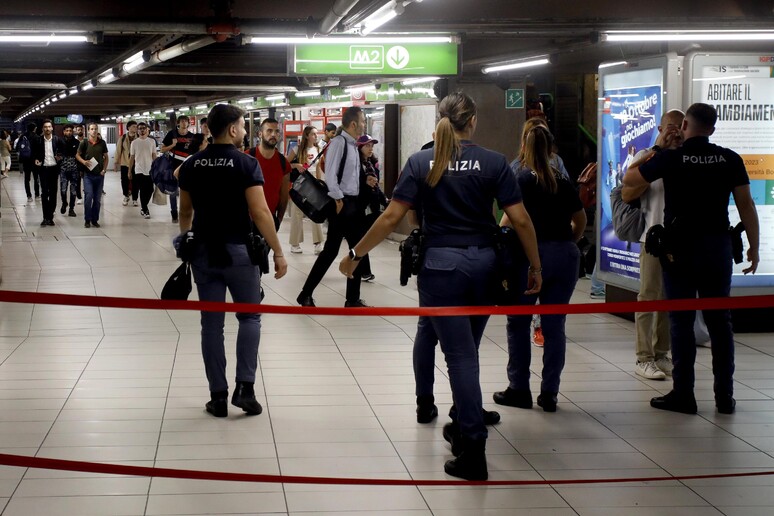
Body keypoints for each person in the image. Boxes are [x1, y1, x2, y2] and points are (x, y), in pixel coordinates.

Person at [339, 92, 542, 480]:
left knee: (459, 356)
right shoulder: (495, 162)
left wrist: (355, 255)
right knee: (469, 351)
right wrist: (535, 265)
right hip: (485, 266)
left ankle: (472, 444)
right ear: (474, 121)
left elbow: (390, 218)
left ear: (440, 119)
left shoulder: (420, 162)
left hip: (441, 269)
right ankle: (464, 421)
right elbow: (521, 220)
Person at [623, 102, 760, 415]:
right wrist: (754, 246)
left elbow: (630, 180)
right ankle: (724, 397)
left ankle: (684, 394)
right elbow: (746, 205)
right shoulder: (729, 158)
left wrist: (657, 148)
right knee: (720, 323)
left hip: (679, 249)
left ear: (684, 125)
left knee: (681, 321)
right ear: (712, 129)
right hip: (717, 248)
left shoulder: (672, 158)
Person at [177, 103, 287, 418]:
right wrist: (278, 251)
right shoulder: (245, 164)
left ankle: (218, 396)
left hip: (204, 254)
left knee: (211, 325)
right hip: (240, 252)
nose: (244, 131)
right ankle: (245, 390)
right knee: (249, 318)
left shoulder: (191, 165)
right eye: (242, 125)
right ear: (233, 129)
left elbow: (186, 213)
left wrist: (188, 241)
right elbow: (260, 211)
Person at [493, 125, 586, 413]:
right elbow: (580, 220)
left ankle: (519, 388)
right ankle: (550, 394)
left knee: (519, 322)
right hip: (564, 255)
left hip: (530, 258)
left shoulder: (520, 179)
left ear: (524, 147)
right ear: (550, 149)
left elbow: (511, 221)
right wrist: (567, 240)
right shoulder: (562, 180)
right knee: (555, 326)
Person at [623, 110, 685, 381]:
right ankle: (643, 357)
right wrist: (658, 151)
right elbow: (627, 193)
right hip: (653, 237)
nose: (674, 132)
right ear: (659, 128)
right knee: (649, 296)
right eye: (668, 127)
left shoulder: (686, 157)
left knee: (670, 298)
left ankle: (661, 353)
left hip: (681, 238)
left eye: (679, 127)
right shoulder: (647, 157)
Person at [297, 106, 368, 308]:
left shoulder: (353, 144)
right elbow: (331, 173)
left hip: (352, 203)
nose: (363, 124)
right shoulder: (339, 143)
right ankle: (306, 294)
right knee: (332, 252)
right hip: (342, 204)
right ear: (354, 123)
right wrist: (338, 200)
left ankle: (351, 298)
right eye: (362, 121)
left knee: (355, 250)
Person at [246, 118, 291, 230]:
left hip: (269, 220)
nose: (273, 134)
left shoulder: (283, 162)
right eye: (269, 131)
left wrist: (278, 220)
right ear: (260, 134)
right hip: (246, 221)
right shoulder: (247, 158)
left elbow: (283, 196)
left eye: (276, 132)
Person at [355, 134, 388, 282]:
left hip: (371, 208)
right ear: (360, 147)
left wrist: (385, 201)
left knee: (362, 238)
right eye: (367, 145)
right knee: (360, 238)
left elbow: (375, 186)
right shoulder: (356, 165)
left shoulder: (371, 164)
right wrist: (364, 182)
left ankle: (362, 270)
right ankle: (364, 271)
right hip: (359, 207)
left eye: (372, 146)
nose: (370, 148)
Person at [287, 125, 324, 255]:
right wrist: (296, 165)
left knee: (316, 211)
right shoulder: (296, 149)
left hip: (313, 183)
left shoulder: (318, 149)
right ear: (307, 136)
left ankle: (318, 243)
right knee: (297, 214)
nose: (316, 136)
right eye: (313, 134)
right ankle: (294, 243)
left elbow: (318, 167)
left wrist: (320, 183)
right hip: (301, 184)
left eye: (316, 133)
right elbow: (285, 165)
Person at [161, 115, 199, 222]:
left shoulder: (192, 136)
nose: (184, 123)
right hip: (173, 167)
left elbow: (197, 151)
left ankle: (189, 212)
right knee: (173, 191)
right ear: (178, 123)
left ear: (188, 123)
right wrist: (172, 145)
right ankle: (174, 213)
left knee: (190, 191)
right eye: (182, 121)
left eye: (185, 121)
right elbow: (162, 149)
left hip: (188, 167)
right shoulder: (172, 134)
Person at [76, 122, 109, 228]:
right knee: (88, 196)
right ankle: (87, 219)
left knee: (97, 199)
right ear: (88, 131)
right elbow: (77, 155)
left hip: (99, 175)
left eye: (95, 129)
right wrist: (84, 162)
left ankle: (95, 219)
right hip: (88, 175)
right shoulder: (84, 143)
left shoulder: (102, 143)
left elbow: (106, 157)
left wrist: (104, 170)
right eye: (92, 129)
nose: (94, 131)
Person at [32, 120, 64, 226]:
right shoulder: (38, 140)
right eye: (45, 127)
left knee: (53, 193)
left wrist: (60, 157)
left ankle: (50, 217)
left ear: (52, 128)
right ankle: (45, 217)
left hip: (54, 169)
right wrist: (36, 159)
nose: (47, 129)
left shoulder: (57, 140)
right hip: (43, 169)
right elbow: (34, 153)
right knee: (44, 194)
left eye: (49, 127)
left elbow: (63, 152)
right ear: (42, 129)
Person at [128, 122, 157, 219]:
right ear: (137, 130)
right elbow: (132, 158)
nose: (142, 130)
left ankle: (144, 207)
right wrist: (129, 171)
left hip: (150, 169)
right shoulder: (134, 143)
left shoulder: (152, 142)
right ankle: (145, 209)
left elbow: (154, 155)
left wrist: (157, 167)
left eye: (144, 128)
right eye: (140, 128)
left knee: (150, 190)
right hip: (138, 169)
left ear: (147, 129)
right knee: (143, 189)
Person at [59, 124, 81, 217]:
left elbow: (80, 156)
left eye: (70, 131)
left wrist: (80, 169)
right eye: (67, 130)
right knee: (63, 190)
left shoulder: (76, 142)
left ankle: (71, 209)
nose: (68, 132)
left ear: (73, 131)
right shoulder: (60, 141)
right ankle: (64, 203)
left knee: (73, 191)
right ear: (64, 132)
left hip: (74, 170)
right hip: (63, 169)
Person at [115, 120, 138, 206]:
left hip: (136, 163)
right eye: (133, 126)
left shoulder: (139, 138)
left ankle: (135, 198)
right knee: (124, 180)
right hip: (125, 163)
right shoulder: (123, 138)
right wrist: (116, 162)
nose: (135, 128)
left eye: (136, 126)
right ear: (128, 128)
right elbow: (118, 150)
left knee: (135, 181)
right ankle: (126, 195)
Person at [18, 123, 39, 202]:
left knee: (27, 179)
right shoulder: (37, 137)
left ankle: (29, 196)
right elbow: (39, 149)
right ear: (35, 128)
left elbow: (17, 148)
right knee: (36, 178)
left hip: (26, 160)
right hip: (35, 160)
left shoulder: (22, 136)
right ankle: (37, 194)